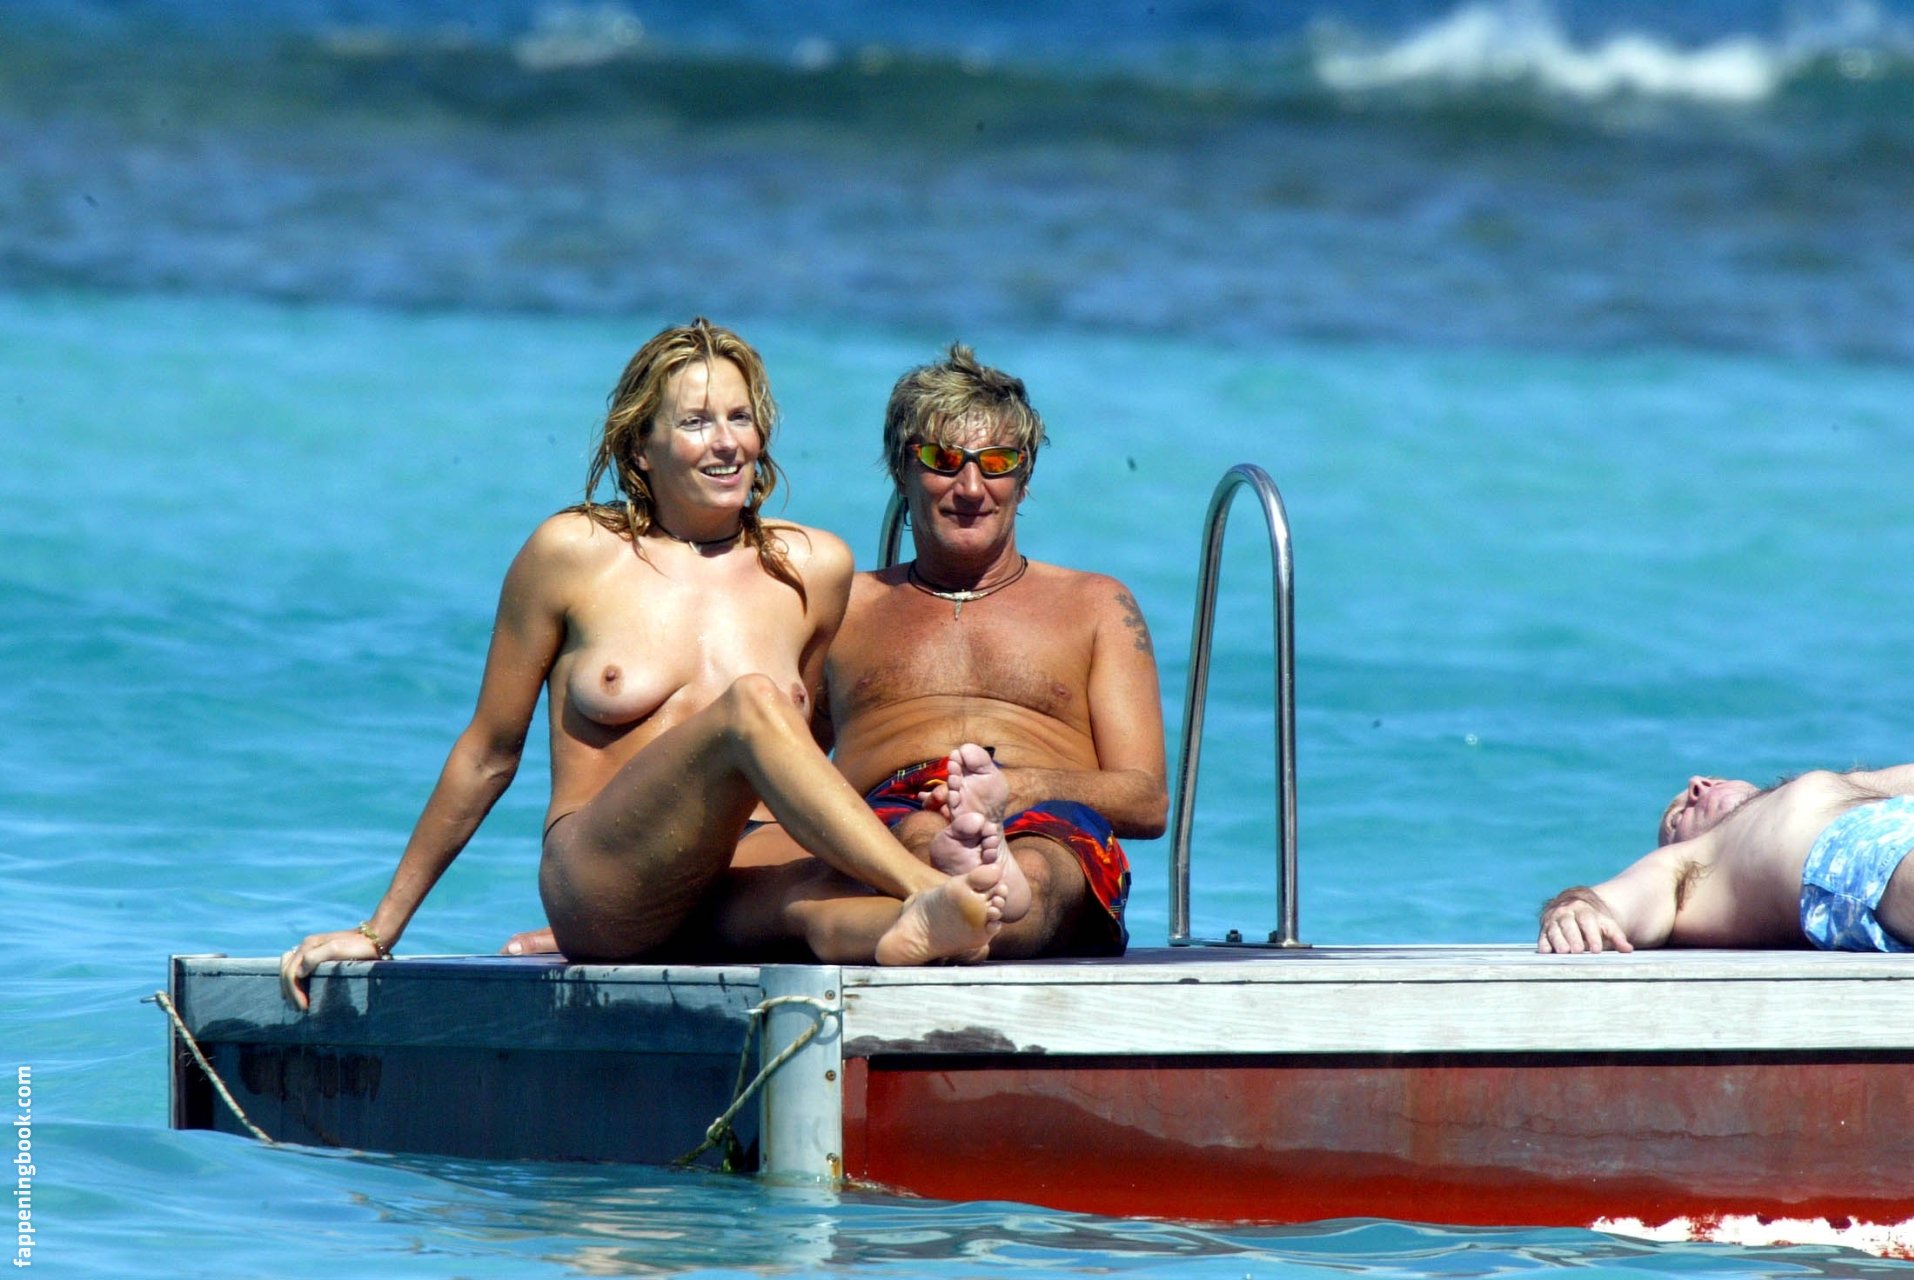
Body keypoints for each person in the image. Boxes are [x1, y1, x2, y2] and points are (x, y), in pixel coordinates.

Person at [280, 319, 1012, 1010]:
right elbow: (488, 753)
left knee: (826, 910)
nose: (726, 443)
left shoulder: (812, 567)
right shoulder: (572, 554)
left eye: (740, 418)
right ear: (640, 448)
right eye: (695, 422)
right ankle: (922, 890)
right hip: (604, 881)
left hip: (735, 873)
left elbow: (808, 754)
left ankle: (930, 926)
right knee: (753, 704)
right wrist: (379, 929)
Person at [505, 342, 1168, 962]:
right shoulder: (847, 606)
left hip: (1044, 823)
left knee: (1037, 870)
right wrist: (630, 903)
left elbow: (1147, 800)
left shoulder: (1095, 605)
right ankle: (952, 889)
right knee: (902, 846)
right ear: (901, 470)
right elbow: (771, 769)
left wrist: (1017, 788)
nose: (971, 487)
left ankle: (983, 892)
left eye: (996, 463)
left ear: (1024, 478)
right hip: (887, 825)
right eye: (941, 460)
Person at [1536, 765, 1914, 954]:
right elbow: (1618, 901)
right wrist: (1576, 909)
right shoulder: (1685, 862)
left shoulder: (1834, 784)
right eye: (1676, 818)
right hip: (1857, 857)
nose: (1696, 783)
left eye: (1713, 780)